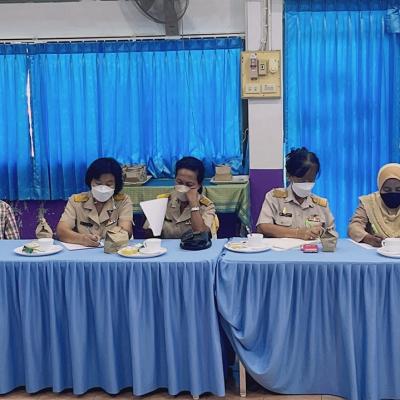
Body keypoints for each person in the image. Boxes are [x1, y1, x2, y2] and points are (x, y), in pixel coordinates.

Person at [256, 147, 338, 240]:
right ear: (289, 176)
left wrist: (322, 233)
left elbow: (331, 235)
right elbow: (263, 227)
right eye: (302, 180)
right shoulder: (274, 198)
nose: (306, 183)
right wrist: (298, 233)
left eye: (311, 180)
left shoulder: (321, 205)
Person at [57, 157, 133, 246]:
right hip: (82, 251)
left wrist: (110, 238)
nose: (103, 188)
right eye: (98, 183)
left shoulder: (123, 201)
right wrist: (82, 239)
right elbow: (61, 231)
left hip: (112, 249)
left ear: (116, 185)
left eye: (109, 184)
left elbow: (126, 230)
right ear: (90, 181)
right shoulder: (76, 201)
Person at [144, 156, 219, 239]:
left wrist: (194, 205)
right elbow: (148, 235)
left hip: (192, 246)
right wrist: (154, 220)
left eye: (189, 184)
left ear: (199, 185)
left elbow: (201, 235)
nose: (183, 188)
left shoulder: (207, 206)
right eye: (179, 182)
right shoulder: (164, 201)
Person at [348, 163, 400, 247]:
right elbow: (354, 226)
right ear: (380, 187)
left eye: (398, 189)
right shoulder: (369, 202)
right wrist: (368, 238)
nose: (393, 193)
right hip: (376, 251)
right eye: (387, 189)